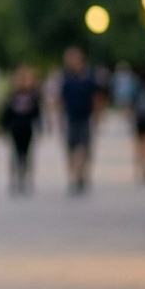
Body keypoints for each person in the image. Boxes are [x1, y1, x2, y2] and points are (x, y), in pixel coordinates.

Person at [59, 46, 103, 194]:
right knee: (71, 148)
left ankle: (79, 175)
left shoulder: (89, 77)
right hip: (71, 117)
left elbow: (96, 97)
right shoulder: (67, 78)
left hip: (85, 117)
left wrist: (97, 116)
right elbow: (61, 100)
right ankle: (75, 175)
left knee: (83, 147)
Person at [0, 65, 41, 194]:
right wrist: (3, 128)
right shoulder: (12, 96)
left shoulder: (33, 96)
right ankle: (15, 178)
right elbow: (5, 113)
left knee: (26, 155)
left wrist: (40, 127)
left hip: (27, 129)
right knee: (15, 155)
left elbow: (37, 113)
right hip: (15, 129)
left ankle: (25, 178)